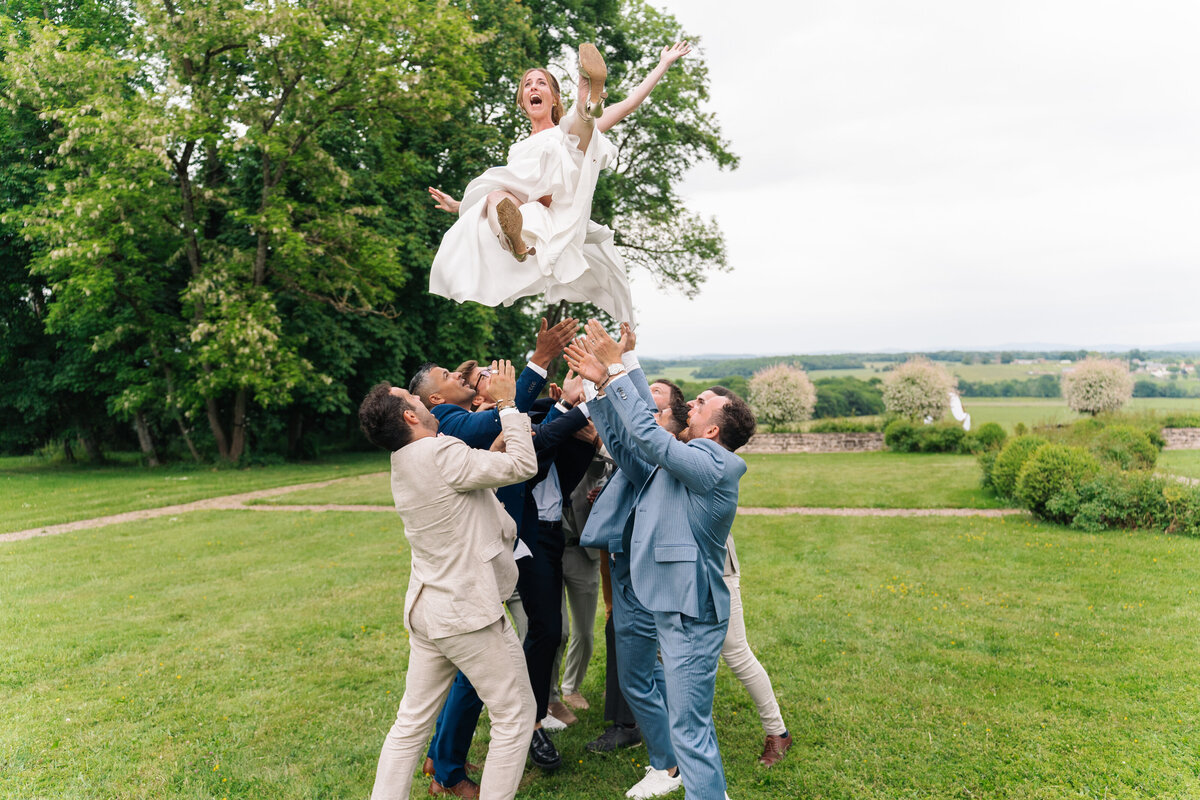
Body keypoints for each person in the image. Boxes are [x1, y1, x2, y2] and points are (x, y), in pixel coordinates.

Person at [566, 320, 757, 800]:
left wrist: (615, 372)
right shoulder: (686, 458)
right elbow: (632, 442)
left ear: (714, 428)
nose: (691, 403)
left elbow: (650, 437)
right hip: (671, 606)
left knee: (690, 731)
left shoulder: (716, 464)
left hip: (692, 614)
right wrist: (603, 390)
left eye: (701, 405)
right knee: (692, 726)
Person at [358, 362, 537, 800]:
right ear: (410, 416)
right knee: (515, 716)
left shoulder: (405, 458)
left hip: (427, 610)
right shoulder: (440, 454)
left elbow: (465, 486)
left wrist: (494, 440)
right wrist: (510, 404)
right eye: (416, 399)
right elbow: (522, 464)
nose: (422, 401)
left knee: (410, 724)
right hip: (466, 613)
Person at [427, 42, 691, 322]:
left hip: (563, 206)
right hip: (533, 213)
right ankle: (514, 242)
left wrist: (663, 63)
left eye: (541, 83)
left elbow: (627, 106)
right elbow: (511, 188)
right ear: (522, 101)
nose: (533, 88)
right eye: (527, 85)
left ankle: (588, 102)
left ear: (553, 97)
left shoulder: (559, 133)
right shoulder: (517, 149)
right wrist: (459, 206)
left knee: (571, 135)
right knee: (494, 198)